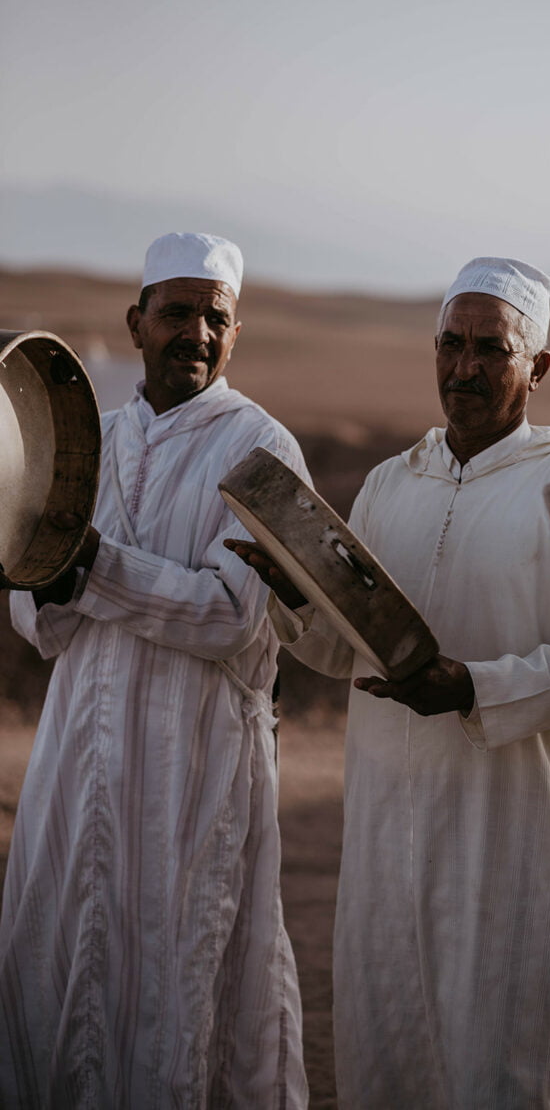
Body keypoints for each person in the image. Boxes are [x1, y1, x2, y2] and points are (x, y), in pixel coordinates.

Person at [227, 257, 550, 1109]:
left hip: (525, 861)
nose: (464, 368)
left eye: (491, 348)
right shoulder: (390, 484)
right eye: (450, 344)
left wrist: (474, 688)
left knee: (516, 1066)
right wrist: (296, 603)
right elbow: (354, 652)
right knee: (394, 1058)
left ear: (540, 367)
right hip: (391, 847)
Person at [0, 233, 309, 1107]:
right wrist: (49, 580)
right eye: (177, 313)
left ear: (237, 331)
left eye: (217, 318)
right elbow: (38, 619)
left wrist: (89, 566)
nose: (197, 334)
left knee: (184, 981)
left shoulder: (265, 451)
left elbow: (231, 613)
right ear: (136, 323)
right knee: (58, 956)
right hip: (79, 757)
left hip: (194, 765)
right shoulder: (82, 440)